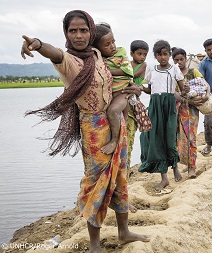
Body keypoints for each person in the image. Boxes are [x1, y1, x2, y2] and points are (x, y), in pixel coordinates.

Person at [21, 10, 150, 253]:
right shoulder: (69, 61)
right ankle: (94, 244)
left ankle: (124, 232)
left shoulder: (98, 54)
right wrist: (37, 44)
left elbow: (117, 78)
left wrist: (131, 88)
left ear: (91, 32)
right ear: (66, 34)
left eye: (83, 30)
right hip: (93, 128)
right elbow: (54, 52)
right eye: (72, 31)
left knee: (121, 176)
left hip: (117, 124)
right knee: (96, 183)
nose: (78, 35)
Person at [138, 40, 188, 191]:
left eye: (165, 54)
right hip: (155, 105)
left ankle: (175, 167)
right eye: (159, 55)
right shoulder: (151, 69)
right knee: (156, 138)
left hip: (169, 105)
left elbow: (181, 90)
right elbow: (150, 90)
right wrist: (140, 88)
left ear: (169, 55)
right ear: (155, 56)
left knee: (170, 138)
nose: (163, 58)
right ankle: (164, 178)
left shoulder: (174, 70)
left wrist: (186, 90)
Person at [92, 23, 136, 155]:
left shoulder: (120, 53)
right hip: (111, 95)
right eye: (107, 44)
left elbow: (127, 71)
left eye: (113, 42)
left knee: (113, 112)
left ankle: (114, 141)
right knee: (116, 118)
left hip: (123, 93)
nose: (112, 46)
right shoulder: (97, 58)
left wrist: (107, 71)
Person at [172, 47, 209, 179]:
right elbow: (172, 92)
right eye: (176, 60)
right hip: (175, 110)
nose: (179, 62)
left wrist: (206, 96)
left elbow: (205, 85)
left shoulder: (193, 72)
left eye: (181, 59)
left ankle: (192, 167)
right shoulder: (172, 74)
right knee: (176, 138)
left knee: (191, 137)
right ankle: (177, 166)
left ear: (186, 59)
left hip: (191, 111)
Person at [125, 40, 149, 176]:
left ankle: (127, 170)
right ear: (131, 53)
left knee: (129, 138)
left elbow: (130, 76)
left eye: (144, 54)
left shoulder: (143, 66)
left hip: (133, 103)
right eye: (139, 54)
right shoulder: (127, 64)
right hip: (125, 99)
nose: (142, 57)